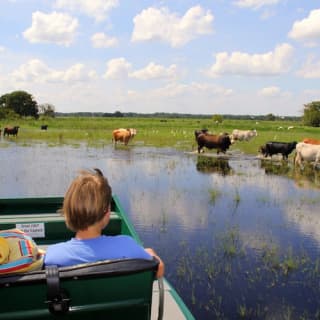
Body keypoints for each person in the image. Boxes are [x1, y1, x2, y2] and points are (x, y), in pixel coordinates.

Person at [44, 168, 164, 278]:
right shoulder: (127, 245)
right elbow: (159, 269)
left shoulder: (52, 256)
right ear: (107, 212)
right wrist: (152, 254)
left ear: (68, 211)